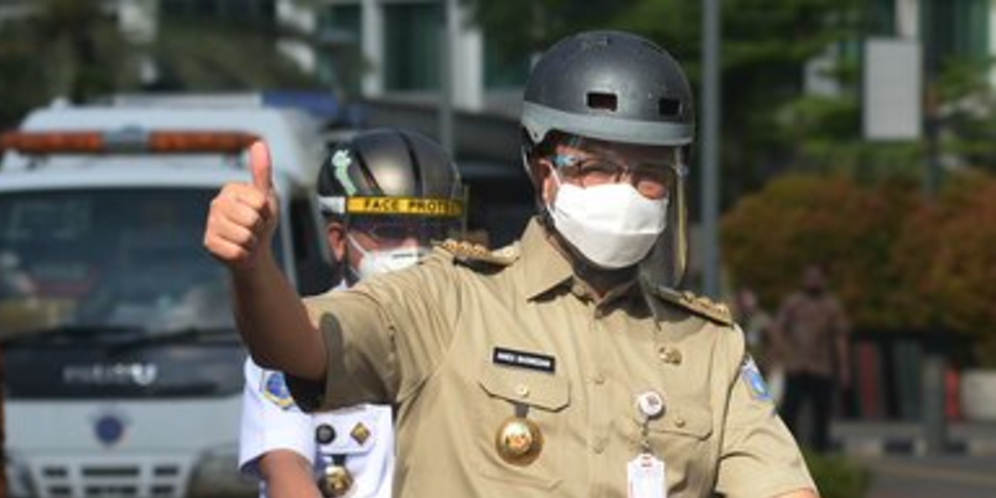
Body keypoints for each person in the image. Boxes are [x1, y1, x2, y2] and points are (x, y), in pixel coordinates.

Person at [205, 30, 818, 498]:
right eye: (596, 166)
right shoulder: (447, 301)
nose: (624, 189)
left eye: (650, 174)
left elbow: (781, 485)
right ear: (541, 169)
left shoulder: (709, 348)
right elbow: (297, 346)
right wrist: (250, 267)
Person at [237, 128, 466, 498]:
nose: (414, 248)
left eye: (432, 231)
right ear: (338, 240)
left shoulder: (475, 325)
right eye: (391, 230)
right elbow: (285, 472)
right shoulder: (296, 336)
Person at [771, 263, 851, 453]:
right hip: (796, 366)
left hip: (821, 367)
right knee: (790, 410)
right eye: (809, 277)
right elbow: (777, 329)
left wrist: (844, 367)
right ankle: (790, 451)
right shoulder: (793, 303)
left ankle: (819, 451)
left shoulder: (832, 305)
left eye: (816, 277)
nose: (812, 281)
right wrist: (782, 353)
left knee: (821, 413)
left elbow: (840, 337)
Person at [732, 287, 784, 405]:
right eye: (742, 301)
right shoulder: (738, 322)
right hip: (745, 372)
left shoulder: (762, 321)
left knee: (763, 405)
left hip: (762, 371)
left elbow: (775, 344)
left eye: (748, 299)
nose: (745, 304)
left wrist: (770, 365)